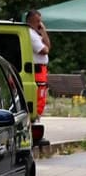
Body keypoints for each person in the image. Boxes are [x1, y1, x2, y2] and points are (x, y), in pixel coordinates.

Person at [27, 9, 51, 139]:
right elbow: (44, 50)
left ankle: (36, 122)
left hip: (41, 70)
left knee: (41, 98)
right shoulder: (30, 34)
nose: (40, 24)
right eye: (38, 21)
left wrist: (43, 32)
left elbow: (48, 46)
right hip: (36, 70)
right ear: (31, 21)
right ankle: (35, 125)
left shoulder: (37, 34)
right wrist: (42, 32)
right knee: (38, 99)